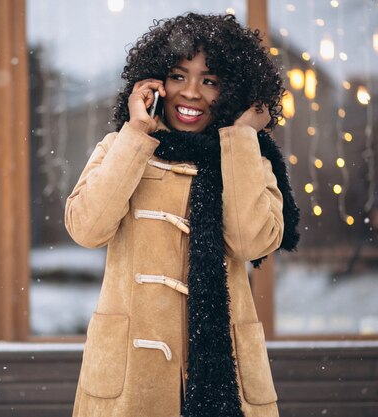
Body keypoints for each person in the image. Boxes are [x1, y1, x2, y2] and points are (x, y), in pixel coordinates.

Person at [64, 13, 300, 417]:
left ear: (231, 91)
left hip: (226, 383)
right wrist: (137, 134)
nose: (190, 93)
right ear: (154, 82)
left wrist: (242, 138)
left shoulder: (246, 158)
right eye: (178, 76)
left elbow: (251, 242)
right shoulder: (121, 146)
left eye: (209, 81)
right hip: (127, 384)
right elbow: (87, 228)